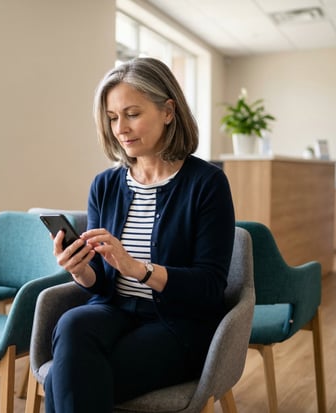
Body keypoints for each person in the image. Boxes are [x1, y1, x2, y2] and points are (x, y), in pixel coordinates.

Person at [44, 57, 236, 413]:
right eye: (113, 118)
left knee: (63, 378)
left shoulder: (207, 183)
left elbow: (210, 288)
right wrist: (79, 270)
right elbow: (102, 282)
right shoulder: (105, 185)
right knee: (72, 323)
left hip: (178, 324)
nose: (121, 128)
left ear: (168, 111)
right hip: (115, 311)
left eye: (132, 114)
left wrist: (139, 269)